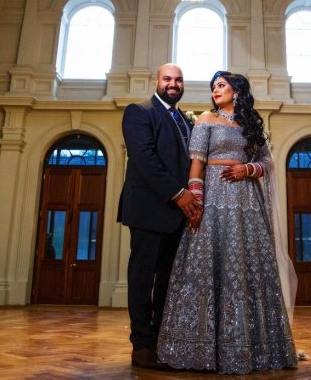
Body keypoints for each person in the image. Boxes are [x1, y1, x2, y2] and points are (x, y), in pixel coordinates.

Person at [156, 71, 298, 374]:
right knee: (209, 264)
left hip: (246, 202)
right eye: (213, 87)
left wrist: (247, 169)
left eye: (221, 85)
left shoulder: (251, 124)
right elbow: (197, 163)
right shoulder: (206, 119)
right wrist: (195, 202)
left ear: (237, 90)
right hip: (214, 199)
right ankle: (198, 347)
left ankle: (253, 345)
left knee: (246, 267)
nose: (215, 90)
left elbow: (267, 163)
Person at [117, 63, 201, 369]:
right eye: (168, 79)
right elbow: (145, 158)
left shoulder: (185, 119)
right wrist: (179, 194)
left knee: (167, 281)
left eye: (179, 79)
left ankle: (160, 341)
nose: (174, 84)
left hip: (177, 216)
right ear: (157, 81)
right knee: (142, 279)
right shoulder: (139, 112)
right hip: (148, 210)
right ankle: (141, 346)